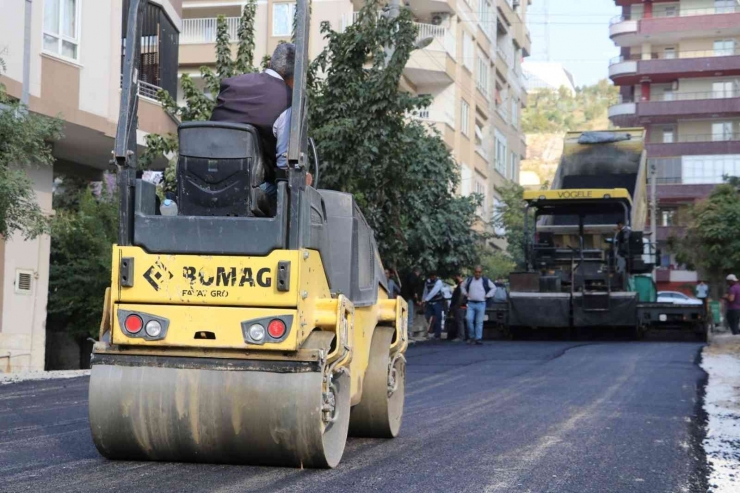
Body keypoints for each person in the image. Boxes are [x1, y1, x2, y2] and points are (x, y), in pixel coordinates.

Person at [210, 44, 311, 203]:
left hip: (206, 176)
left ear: (270, 63)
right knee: (292, 190)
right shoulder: (289, 101)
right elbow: (284, 166)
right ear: (296, 77)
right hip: (247, 190)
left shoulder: (230, 84)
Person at [461, 265, 496, 345]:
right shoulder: (469, 279)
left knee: (479, 322)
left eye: (479, 272)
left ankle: (478, 338)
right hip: (471, 303)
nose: (477, 273)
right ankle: (472, 337)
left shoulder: (485, 280)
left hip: (481, 303)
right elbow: (462, 286)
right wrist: (465, 293)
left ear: (481, 273)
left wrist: (488, 295)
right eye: (476, 272)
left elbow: (494, 288)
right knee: (469, 320)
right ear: (474, 272)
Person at [422, 271, 445, 339]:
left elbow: (434, 291)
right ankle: (430, 332)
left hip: (437, 302)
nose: (433, 277)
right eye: (432, 276)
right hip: (430, 303)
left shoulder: (439, 282)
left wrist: (426, 299)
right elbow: (425, 291)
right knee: (428, 317)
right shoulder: (427, 282)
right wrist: (423, 300)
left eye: (434, 276)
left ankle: (437, 334)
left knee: (438, 318)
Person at [448, 274, 467, 342]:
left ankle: (461, 336)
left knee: (460, 321)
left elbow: (462, 295)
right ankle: (460, 335)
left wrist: (457, 305)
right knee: (459, 321)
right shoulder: (461, 285)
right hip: (460, 305)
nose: (454, 279)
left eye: (455, 277)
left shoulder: (462, 285)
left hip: (460, 306)